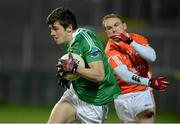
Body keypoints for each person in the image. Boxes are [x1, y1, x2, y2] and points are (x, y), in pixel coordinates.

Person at [46, 7, 120, 123]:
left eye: (55, 29)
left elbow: (99, 75)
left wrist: (75, 68)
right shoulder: (69, 42)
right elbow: (77, 64)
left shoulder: (87, 40)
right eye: (51, 29)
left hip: (94, 103)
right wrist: (67, 74)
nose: (52, 33)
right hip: (75, 94)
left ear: (69, 28)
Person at [102, 13, 170, 123]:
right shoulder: (110, 51)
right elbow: (125, 76)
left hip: (142, 92)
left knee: (147, 119)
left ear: (124, 26)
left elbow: (152, 57)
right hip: (122, 98)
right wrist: (150, 82)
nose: (114, 30)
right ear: (107, 32)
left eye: (116, 25)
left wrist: (131, 43)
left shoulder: (137, 39)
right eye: (109, 28)